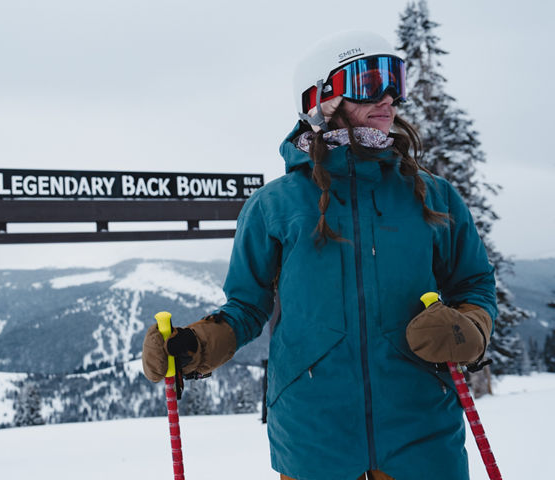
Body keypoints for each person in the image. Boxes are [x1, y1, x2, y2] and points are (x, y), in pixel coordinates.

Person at [141, 31, 497, 480]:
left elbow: (474, 286)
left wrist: (471, 328)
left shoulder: (431, 196)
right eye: (369, 81)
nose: (388, 96)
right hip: (313, 434)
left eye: (396, 80)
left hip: (422, 428)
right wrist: (195, 345)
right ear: (318, 98)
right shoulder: (275, 205)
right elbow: (247, 308)